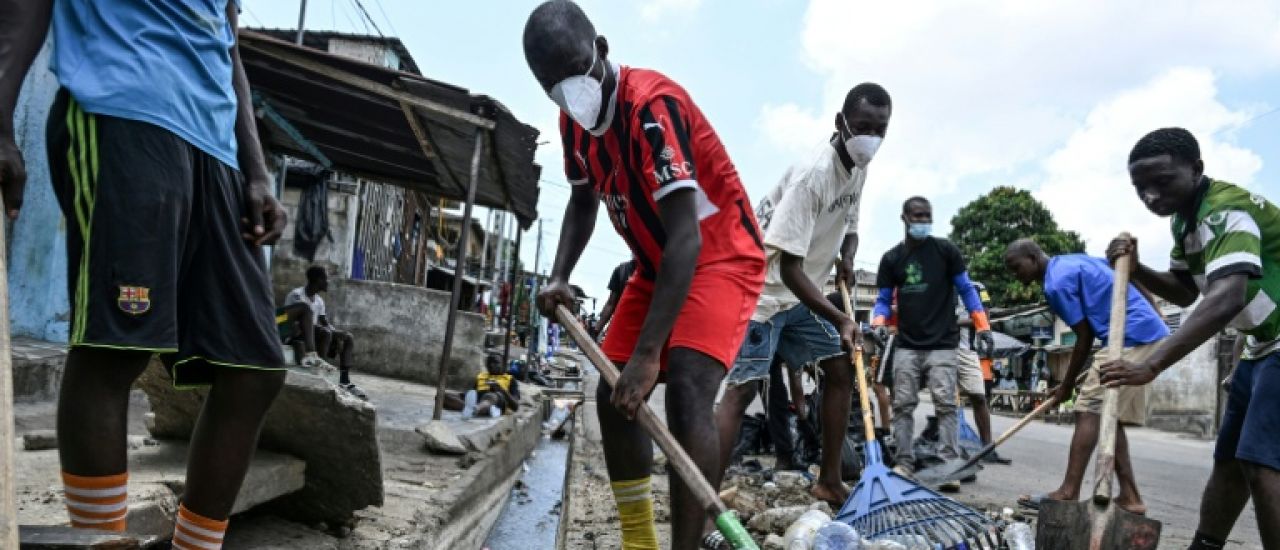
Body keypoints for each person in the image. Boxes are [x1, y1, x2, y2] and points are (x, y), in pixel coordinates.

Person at [0, 2, 288, 547]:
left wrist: (256, 169)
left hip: (216, 148)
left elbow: (226, 42)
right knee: (118, 345)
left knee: (255, 369)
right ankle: (100, 540)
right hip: (122, 108)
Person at [522, 3, 767, 548]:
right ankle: (639, 541)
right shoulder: (573, 123)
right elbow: (583, 201)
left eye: (575, 72)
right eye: (552, 85)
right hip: (657, 264)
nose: (569, 92)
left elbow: (688, 237)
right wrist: (560, 274)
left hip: (718, 254)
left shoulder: (652, 108)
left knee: (684, 387)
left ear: (601, 49)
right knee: (614, 390)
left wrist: (648, 354)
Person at [1100, 128, 1280, 550]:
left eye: (1162, 182)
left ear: (1196, 169)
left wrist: (1151, 364)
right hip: (1261, 344)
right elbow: (1185, 290)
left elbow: (1225, 298)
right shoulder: (1186, 220)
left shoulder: (1224, 212)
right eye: (1140, 188)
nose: (1150, 197)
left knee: (1260, 461)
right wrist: (1139, 268)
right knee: (1230, 460)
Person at [717, 82, 889, 506]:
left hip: (799, 296)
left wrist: (848, 257)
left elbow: (851, 226)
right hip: (762, 292)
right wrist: (840, 317)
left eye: (880, 129)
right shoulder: (814, 177)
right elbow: (789, 268)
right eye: (864, 126)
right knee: (742, 390)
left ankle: (829, 480)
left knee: (840, 369)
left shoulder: (858, 167)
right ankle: (705, 496)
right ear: (841, 123)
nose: (871, 137)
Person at [1005, 239, 1169, 515]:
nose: (1015, 275)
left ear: (1033, 257)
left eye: (1016, 267)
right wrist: (1156, 313)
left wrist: (1066, 386)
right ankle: (1131, 496)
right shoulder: (1076, 260)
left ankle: (1068, 492)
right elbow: (1125, 274)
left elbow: (1083, 337)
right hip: (1146, 333)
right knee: (1109, 416)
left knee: (1088, 410)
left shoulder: (1055, 284)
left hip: (1131, 337)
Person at [872, 196, 994, 491]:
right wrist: (877, 324)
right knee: (902, 405)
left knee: (946, 405)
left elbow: (966, 289)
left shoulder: (946, 251)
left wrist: (983, 326)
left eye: (927, 216)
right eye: (917, 216)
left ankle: (948, 466)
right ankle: (903, 463)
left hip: (942, 345)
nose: (923, 221)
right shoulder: (892, 259)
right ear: (904, 218)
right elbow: (883, 300)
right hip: (906, 345)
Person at [285, 266, 366, 400]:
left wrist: (338, 333)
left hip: (317, 333)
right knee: (325, 333)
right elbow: (296, 323)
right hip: (299, 335)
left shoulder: (319, 301)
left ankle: (345, 381)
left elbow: (324, 322)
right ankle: (321, 372)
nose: (328, 282)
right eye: (326, 279)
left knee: (347, 337)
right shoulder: (297, 295)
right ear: (318, 280)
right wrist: (328, 331)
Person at [955, 281, 1009, 464]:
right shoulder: (939, 284)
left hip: (967, 352)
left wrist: (953, 322)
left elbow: (984, 317)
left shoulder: (977, 288)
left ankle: (987, 449)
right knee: (944, 400)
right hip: (942, 350)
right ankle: (947, 450)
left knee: (979, 397)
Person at [443, 353, 522, 418]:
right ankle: (477, 410)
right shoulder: (481, 376)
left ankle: (478, 409)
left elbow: (515, 406)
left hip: (496, 400)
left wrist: (500, 389)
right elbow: (472, 393)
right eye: (489, 363)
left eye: (495, 362)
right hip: (478, 398)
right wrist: (459, 396)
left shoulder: (510, 379)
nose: (491, 365)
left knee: (491, 395)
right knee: (443, 396)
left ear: (503, 364)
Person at [275, 300, 337, 371]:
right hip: (271, 321)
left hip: (276, 321)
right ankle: (311, 355)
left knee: (324, 332)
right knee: (304, 308)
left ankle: (318, 363)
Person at [595, 259, 635, 339]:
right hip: (620, 326)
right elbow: (610, 304)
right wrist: (596, 330)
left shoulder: (659, 270)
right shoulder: (622, 270)